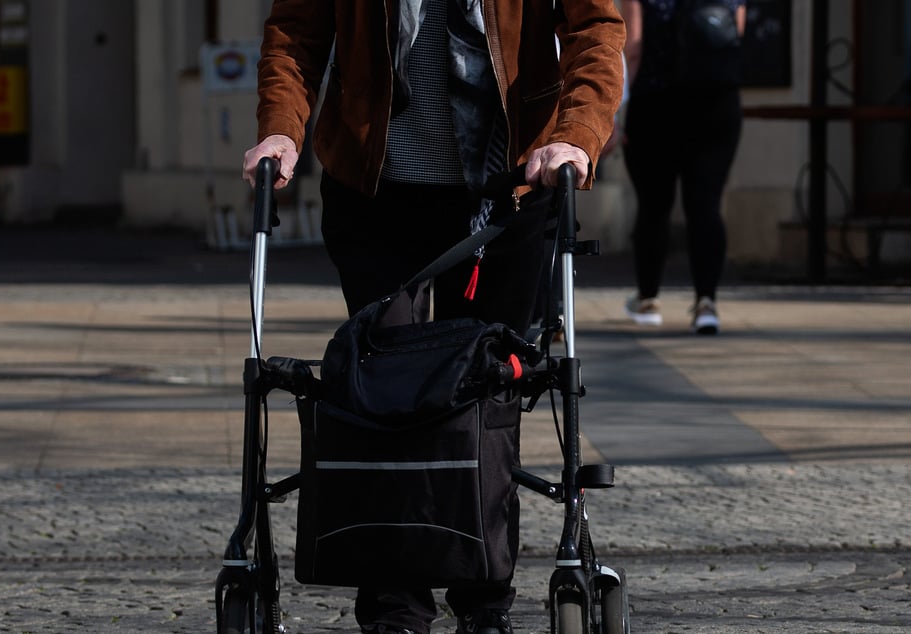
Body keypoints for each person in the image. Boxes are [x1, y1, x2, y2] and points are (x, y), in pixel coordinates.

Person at [242, 1, 625, 632]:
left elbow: (596, 29)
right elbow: (295, 32)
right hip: (376, 189)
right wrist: (282, 126)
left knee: (489, 392)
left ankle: (483, 601)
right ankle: (395, 607)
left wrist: (575, 136)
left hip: (508, 189)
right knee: (381, 390)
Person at [619, 0, 746, 334]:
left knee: (653, 206)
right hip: (717, 105)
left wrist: (618, 113)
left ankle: (648, 300)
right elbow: (734, 38)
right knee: (706, 205)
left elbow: (633, 48)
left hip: (655, 106)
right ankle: (706, 303)